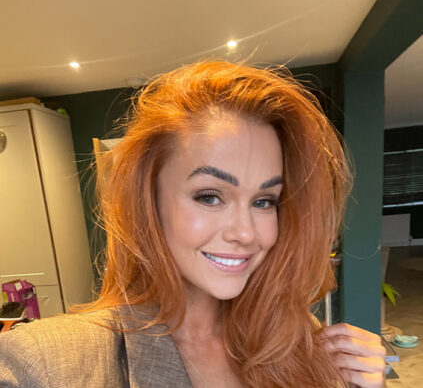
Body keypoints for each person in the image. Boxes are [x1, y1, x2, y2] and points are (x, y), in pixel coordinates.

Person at [0, 60, 386, 387]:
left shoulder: (294, 342)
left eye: (264, 201)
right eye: (209, 196)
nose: (246, 233)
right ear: (148, 202)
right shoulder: (47, 362)